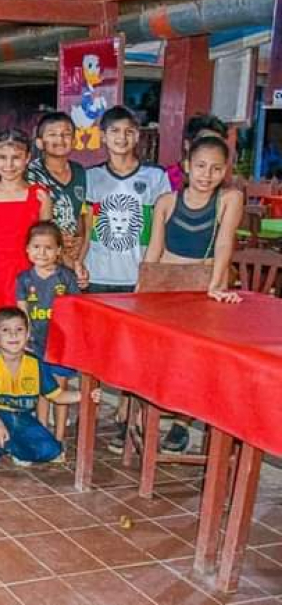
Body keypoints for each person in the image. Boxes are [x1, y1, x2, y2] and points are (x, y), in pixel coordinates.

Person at [80, 105, 171, 455]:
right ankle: (95, 411)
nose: (122, 138)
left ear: (138, 135)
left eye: (128, 131)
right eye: (115, 131)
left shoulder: (155, 178)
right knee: (100, 350)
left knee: (135, 353)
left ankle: (127, 414)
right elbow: (86, 228)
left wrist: (151, 276)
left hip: (136, 279)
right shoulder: (90, 178)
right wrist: (78, 262)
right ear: (103, 136)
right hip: (99, 276)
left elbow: (159, 232)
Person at [144, 136, 243, 453]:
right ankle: (145, 415)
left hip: (204, 290)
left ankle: (182, 422)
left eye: (216, 168)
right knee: (161, 357)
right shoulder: (166, 202)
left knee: (195, 361)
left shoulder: (230, 198)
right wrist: (140, 291)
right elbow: (154, 251)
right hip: (167, 290)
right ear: (187, 166)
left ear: (225, 170)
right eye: (200, 166)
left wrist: (216, 285)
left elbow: (225, 242)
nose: (206, 174)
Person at [0, 307, 99, 472]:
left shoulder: (35, 363)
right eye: (6, 330)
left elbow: (57, 396)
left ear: (27, 335)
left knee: (52, 451)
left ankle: (15, 448)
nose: (13, 335)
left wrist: (84, 395)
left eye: (19, 330)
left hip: (22, 417)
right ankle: (6, 445)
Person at [0, 129, 52, 331]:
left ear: (27, 158)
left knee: (24, 334)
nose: (9, 165)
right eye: (3, 158)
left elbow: (48, 248)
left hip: (26, 275)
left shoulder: (39, 196)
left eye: (16, 158)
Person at [15, 221, 82, 458]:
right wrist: (25, 338)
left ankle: (59, 439)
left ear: (58, 251)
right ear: (27, 249)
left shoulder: (67, 277)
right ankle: (43, 437)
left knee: (60, 390)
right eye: (36, 247)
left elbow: (76, 310)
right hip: (36, 345)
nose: (42, 253)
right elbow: (22, 313)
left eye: (48, 248)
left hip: (62, 345)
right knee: (43, 390)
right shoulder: (23, 279)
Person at [28, 111, 90, 280]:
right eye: (52, 134)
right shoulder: (30, 173)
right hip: (40, 257)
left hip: (70, 257)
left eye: (66, 134)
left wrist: (78, 239)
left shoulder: (80, 172)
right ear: (40, 143)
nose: (60, 140)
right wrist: (56, 237)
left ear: (75, 141)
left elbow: (80, 213)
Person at [167, 115, 228, 192]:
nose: (211, 151)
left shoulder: (218, 185)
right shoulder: (164, 179)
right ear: (187, 144)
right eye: (205, 143)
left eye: (217, 145)